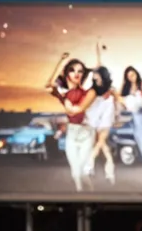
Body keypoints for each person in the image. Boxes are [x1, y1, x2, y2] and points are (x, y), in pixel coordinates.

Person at [46, 59, 96, 192]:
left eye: (80, 71)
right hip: (72, 132)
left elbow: (76, 110)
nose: (76, 73)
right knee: (75, 170)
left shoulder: (88, 93)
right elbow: (49, 85)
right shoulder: (65, 94)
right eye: (72, 70)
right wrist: (60, 62)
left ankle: (91, 193)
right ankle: (80, 193)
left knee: (81, 169)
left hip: (86, 133)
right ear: (67, 73)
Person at [116, 66, 142, 182]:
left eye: (133, 74)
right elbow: (121, 100)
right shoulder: (127, 88)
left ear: (136, 74)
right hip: (135, 118)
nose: (131, 77)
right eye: (128, 76)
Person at [86, 65, 117, 185]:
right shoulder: (92, 91)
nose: (95, 79)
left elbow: (116, 104)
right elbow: (90, 107)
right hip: (94, 120)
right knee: (104, 148)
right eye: (94, 78)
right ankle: (110, 173)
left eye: (97, 77)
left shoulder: (111, 90)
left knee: (100, 144)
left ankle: (89, 164)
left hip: (106, 120)